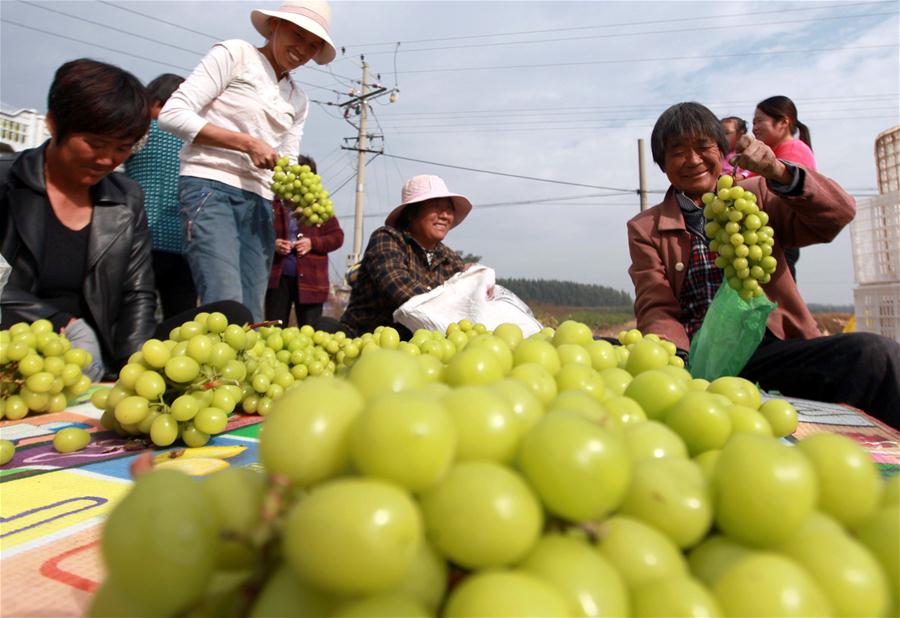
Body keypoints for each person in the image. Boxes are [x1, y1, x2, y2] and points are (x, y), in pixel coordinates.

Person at [627, 101, 900, 427]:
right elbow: (656, 306)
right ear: (662, 163)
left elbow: (839, 213)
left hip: (774, 351)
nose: (693, 160)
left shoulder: (757, 194)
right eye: (678, 151)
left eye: (703, 147)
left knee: (874, 356)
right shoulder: (646, 228)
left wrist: (779, 172)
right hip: (705, 361)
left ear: (722, 151)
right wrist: (678, 364)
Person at [0, 59, 252, 382]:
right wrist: (61, 322)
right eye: (94, 144)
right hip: (21, 351)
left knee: (231, 316)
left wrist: (132, 369)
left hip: (98, 358)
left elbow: (137, 293)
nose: (106, 160)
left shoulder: (125, 198)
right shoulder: (7, 184)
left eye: (122, 148)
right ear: (53, 124)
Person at [158, 0, 337, 322]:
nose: (302, 49)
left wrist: (297, 194)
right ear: (274, 27)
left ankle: (240, 371)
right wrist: (246, 143)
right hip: (210, 188)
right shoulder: (236, 54)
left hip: (259, 202)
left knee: (254, 306)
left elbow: (288, 159)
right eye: (297, 35)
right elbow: (173, 115)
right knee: (225, 298)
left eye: (313, 45)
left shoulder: (297, 98)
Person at [339, 175, 472, 337]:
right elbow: (401, 289)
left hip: (420, 343)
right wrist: (452, 304)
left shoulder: (451, 259)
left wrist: (472, 281)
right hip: (366, 337)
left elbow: (467, 304)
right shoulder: (387, 239)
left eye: (449, 209)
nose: (445, 215)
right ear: (411, 213)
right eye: (436, 207)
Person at [124, 73, 197, 319]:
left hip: (140, 239)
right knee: (181, 320)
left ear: (154, 103)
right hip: (184, 243)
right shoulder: (193, 141)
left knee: (135, 312)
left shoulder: (140, 131)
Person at [266, 154, 344, 326]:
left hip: (312, 281)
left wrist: (312, 243)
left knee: (311, 330)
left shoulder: (318, 207)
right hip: (278, 278)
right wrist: (274, 244)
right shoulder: (274, 206)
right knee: (274, 327)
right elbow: (258, 234)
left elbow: (337, 237)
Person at [749, 96, 816, 280]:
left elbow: (768, 192)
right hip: (763, 237)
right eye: (753, 122)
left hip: (775, 238)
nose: (754, 128)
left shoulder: (793, 151)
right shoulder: (771, 153)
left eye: (759, 121)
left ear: (783, 122)